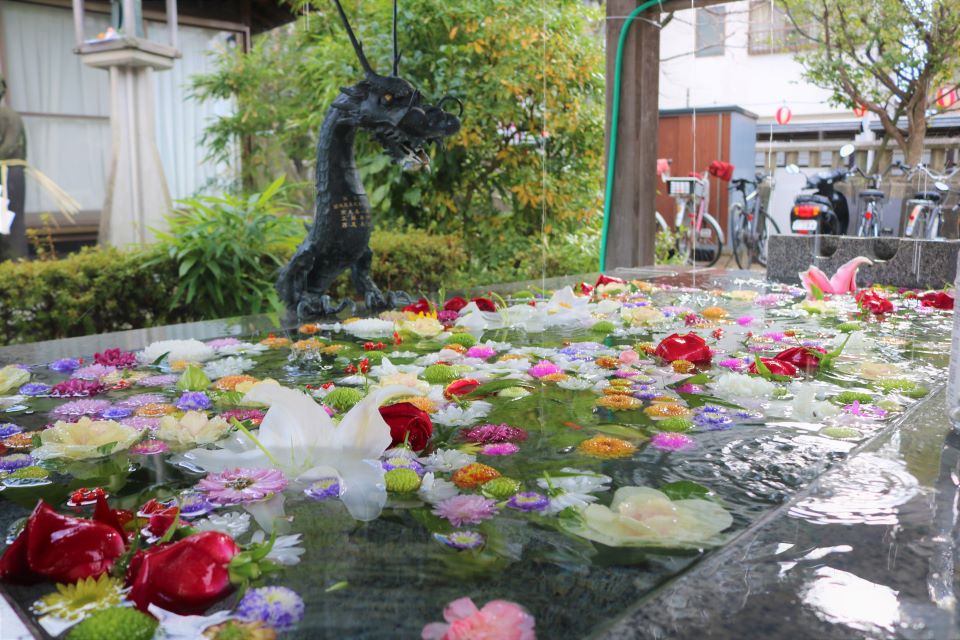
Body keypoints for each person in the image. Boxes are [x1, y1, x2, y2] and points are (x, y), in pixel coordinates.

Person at [0, 75, 27, 259]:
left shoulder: (9, 116)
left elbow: (10, 146)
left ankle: (15, 260)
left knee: (10, 218)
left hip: (8, 172)